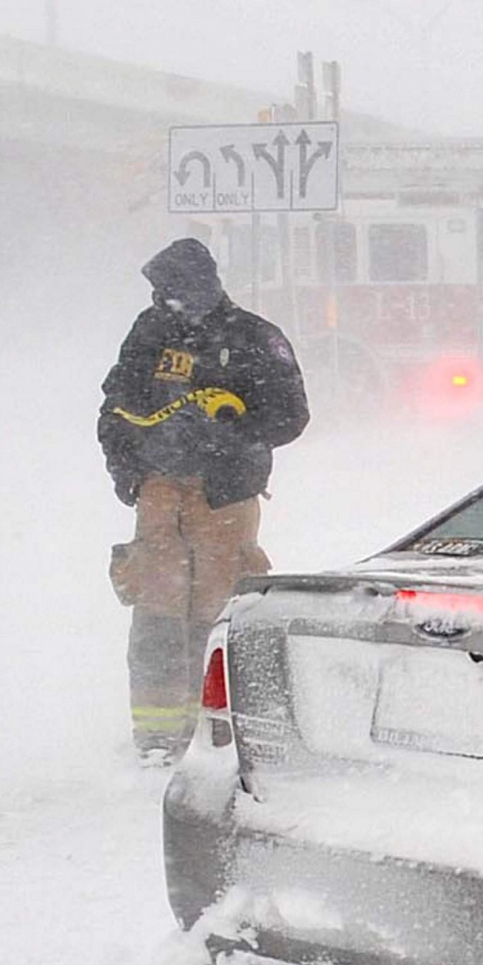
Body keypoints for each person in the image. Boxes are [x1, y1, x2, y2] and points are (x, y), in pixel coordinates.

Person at [99, 237, 310, 758]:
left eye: (169, 289)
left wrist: (227, 438)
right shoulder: (149, 333)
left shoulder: (252, 338)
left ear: (199, 285)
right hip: (159, 497)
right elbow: (115, 408)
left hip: (224, 502)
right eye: (157, 291)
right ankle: (156, 736)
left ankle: (219, 732)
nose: (161, 300)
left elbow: (291, 416)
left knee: (219, 614)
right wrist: (131, 475)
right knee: (156, 616)